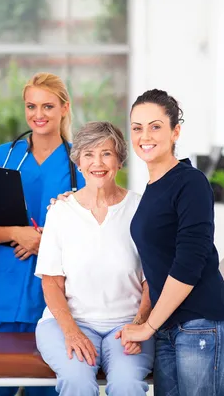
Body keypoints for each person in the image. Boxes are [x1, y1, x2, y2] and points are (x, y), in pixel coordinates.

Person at [116, 89, 224, 396]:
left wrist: (147, 327)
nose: (145, 135)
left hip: (203, 325)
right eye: (137, 127)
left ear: (175, 131)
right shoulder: (152, 187)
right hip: (170, 327)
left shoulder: (190, 182)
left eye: (155, 126)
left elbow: (188, 265)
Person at [0, 72, 85, 396]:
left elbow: (93, 236)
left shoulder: (81, 163)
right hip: (3, 301)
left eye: (48, 106)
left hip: (55, 308)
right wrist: (17, 233)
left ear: (64, 108)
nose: (39, 115)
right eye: (31, 106)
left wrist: (45, 242)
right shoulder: (4, 157)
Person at [34, 121, 154, 396]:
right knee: (77, 381)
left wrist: (138, 327)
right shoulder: (61, 211)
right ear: (78, 162)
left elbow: (152, 281)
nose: (97, 162)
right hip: (67, 322)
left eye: (106, 153)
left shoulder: (141, 209)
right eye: (88, 154)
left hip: (128, 324)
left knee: (127, 385)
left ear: (120, 160)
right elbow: (51, 282)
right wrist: (71, 331)